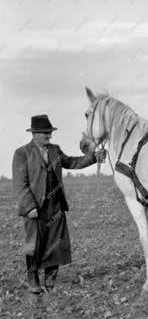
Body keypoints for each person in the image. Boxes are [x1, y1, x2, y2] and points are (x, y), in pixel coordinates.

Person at [12, 114, 106, 294]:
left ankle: (50, 283)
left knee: (55, 244)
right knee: (34, 245)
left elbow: (72, 162)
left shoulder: (55, 150)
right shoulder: (22, 153)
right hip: (35, 208)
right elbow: (20, 184)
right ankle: (33, 282)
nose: (49, 135)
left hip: (56, 205)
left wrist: (94, 157)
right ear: (34, 133)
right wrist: (29, 206)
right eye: (45, 132)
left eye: (49, 131)